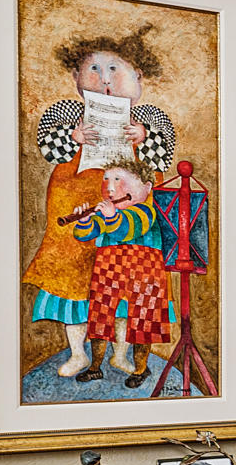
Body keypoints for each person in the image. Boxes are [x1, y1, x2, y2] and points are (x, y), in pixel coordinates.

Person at [24, 29, 176, 387]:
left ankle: (121, 352)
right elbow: (49, 149)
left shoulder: (150, 118)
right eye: (93, 69)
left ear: (138, 77)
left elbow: (163, 158)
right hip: (74, 203)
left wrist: (144, 136)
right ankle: (79, 352)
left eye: (114, 69)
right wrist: (73, 137)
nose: (105, 79)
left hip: (127, 219)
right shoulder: (65, 113)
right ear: (75, 76)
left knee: (124, 288)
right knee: (72, 281)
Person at [66, 164, 172, 388]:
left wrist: (111, 216)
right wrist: (84, 221)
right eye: (107, 180)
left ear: (146, 188)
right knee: (100, 315)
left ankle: (140, 369)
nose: (110, 188)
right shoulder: (108, 212)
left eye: (119, 180)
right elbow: (84, 234)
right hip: (108, 266)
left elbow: (128, 229)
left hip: (145, 270)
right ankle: (95, 367)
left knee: (144, 320)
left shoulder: (146, 211)